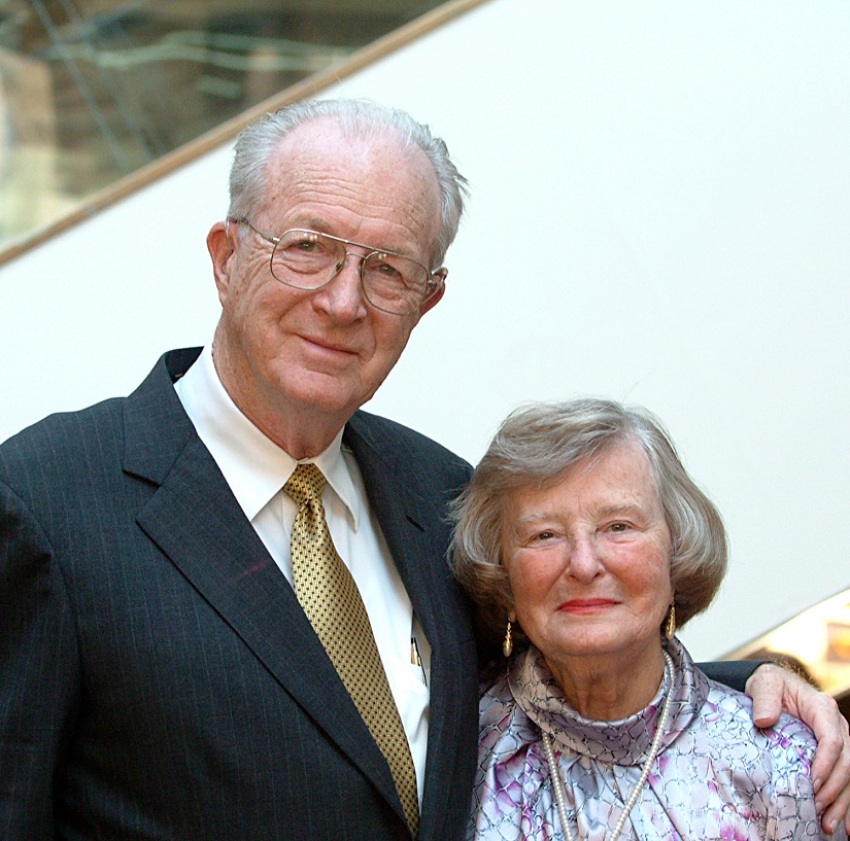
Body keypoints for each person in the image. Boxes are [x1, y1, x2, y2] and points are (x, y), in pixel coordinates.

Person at [0, 99, 847, 840]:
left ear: (427, 299)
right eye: (307, 247)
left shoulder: (439, 493)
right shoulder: (45, 502)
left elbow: (561, 678)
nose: (342, 300)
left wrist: (763, 692)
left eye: (387, 269)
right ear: (225, 257)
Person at [450, 398, 847, 840]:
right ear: (502, 573)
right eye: (544, 535)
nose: (583, 564)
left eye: (618, 527)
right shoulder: (451, 756)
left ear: (676, 555)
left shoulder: (783, 760)